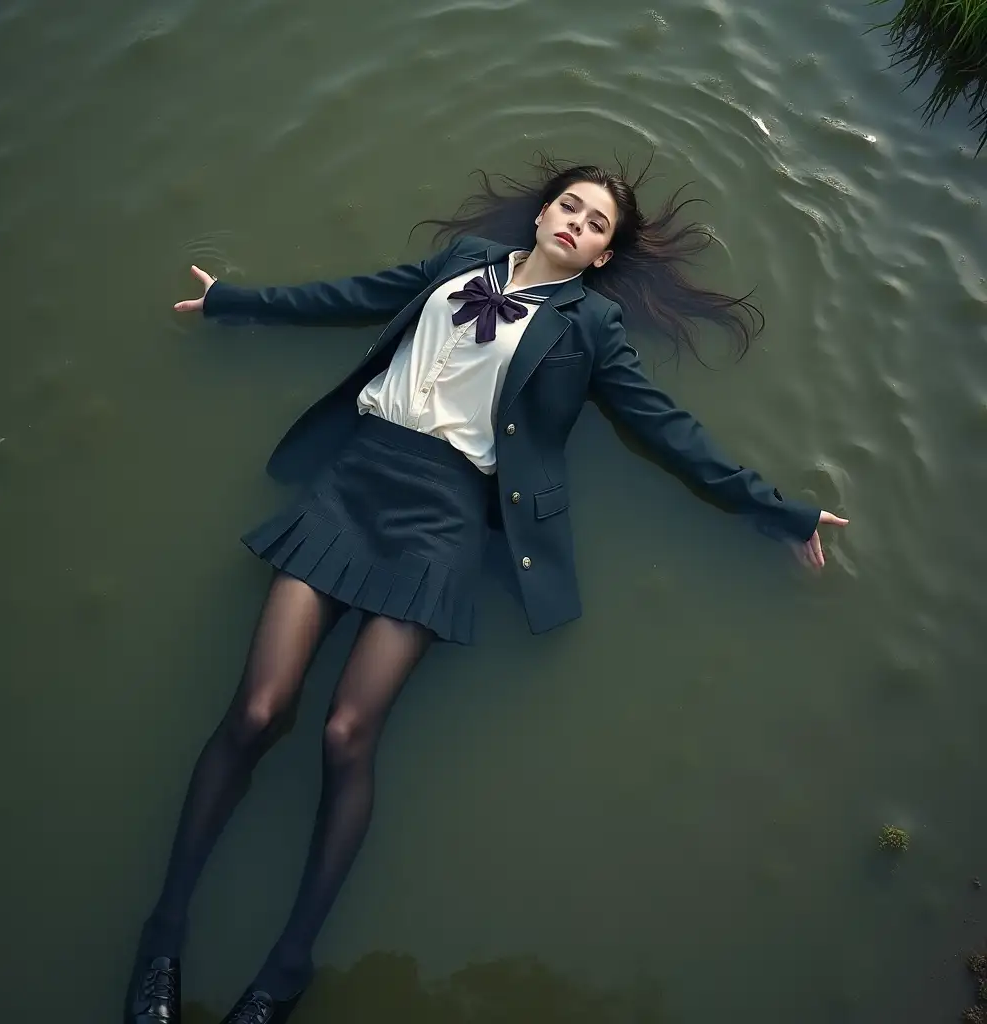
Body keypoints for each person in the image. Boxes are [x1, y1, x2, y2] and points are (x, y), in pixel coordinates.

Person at [124, 156, 848, 1024]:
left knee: (349, 734)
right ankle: (163, 937)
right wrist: (235, 300)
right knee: (258, 711)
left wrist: (780, 511)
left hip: (445, 520)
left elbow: (669, 430)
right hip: (354, 484)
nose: (577, 222)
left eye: (597, 225)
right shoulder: (461, 258)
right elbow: (351, 294)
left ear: (600, 258)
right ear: (543, 213)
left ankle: (285, 969)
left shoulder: (593, 331)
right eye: (570, 207)